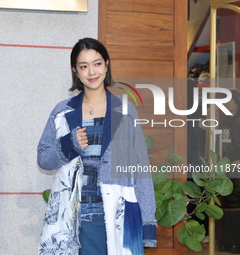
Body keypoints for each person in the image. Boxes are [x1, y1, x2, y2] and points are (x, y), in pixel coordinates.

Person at [37, 38, 156, 255]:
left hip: (118, 212)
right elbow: (44, 158)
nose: (92, 71)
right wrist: (69, 145)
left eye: (97, 63)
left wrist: (147, 222)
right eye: (83, 66)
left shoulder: (126, 112)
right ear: (76, 71)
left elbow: (140, 169)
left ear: (107, 64)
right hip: (75, 215)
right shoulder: (62, 111)